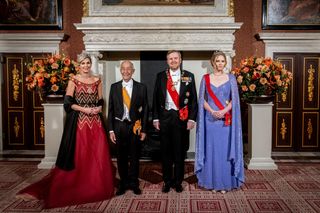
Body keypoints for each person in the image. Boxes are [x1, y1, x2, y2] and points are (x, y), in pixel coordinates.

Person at [16, 51, 115, 208]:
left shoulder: (97, 80)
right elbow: (68, 104)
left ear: (91, 64)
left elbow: (101, 100)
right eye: (83, 63)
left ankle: (95, 183)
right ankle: (80, 184)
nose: (86, 66)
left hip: (95, 122)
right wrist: (85, 110)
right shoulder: (73, 80)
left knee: (97, 153)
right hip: (80, 123)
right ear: (79, 65)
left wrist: (97, 108)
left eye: (88, 63)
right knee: (81, 153)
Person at [195, 51, 244, 194]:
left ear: (225, 63)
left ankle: (225, 183)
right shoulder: (205, 79)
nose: (220, 64)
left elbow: (235, 100)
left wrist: (223, 111)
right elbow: (201, 99)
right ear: (213, 62)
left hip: (225, 122)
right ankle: (211, 182)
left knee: (224, 152)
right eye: (218, 61)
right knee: (212, 152)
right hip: (210, 122)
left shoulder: (231, 78)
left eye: (223, 61)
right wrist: (211, 111)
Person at [152, 50, 198, 193]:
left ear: (180, 59)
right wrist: (155, 118)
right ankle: (167, 181)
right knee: (166, 152)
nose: (173, 61)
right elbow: (155, 98)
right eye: (170, 58)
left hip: (182, 118)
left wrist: (191, 118)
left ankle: (178, 181)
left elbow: (193, 100)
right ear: (167, 61)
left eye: (175, 58)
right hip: (165, 117)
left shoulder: (189, 76)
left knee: (179, 152)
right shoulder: (160, 76)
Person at [108, 60, 148, 196]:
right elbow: (111, 110)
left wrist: (144, 130)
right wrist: (111, 130)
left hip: (134, 127)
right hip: (119, 126)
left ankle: (133, 183)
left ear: (133, 71)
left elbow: (146, 109)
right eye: (123, 69)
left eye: (129, 69)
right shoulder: (114, 87)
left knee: (135, 156)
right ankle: (123, 183)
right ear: (121, 70)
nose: (126, 71)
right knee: (121, 157)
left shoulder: (141, 87)